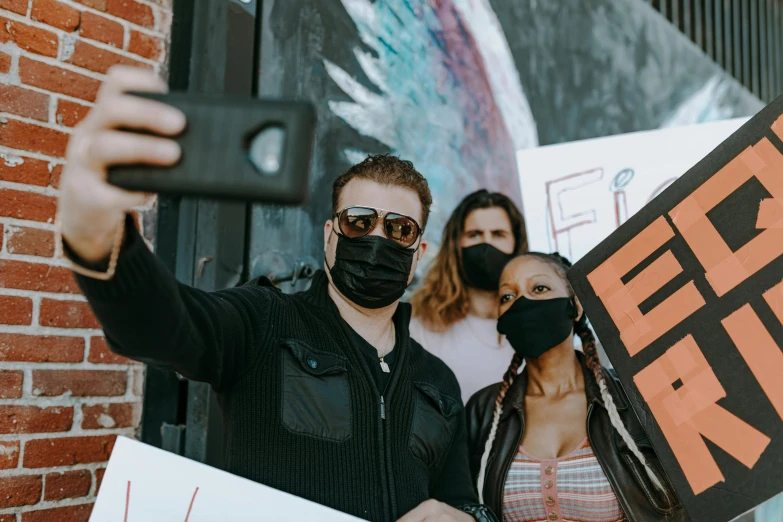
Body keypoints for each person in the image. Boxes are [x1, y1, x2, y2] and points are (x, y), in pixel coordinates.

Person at [56, 66, 496, 522]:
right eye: (359, 222)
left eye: (399, 228)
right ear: (330, 234)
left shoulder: (439, 383)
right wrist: (95, 233)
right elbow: (160, 324)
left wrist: (465, 518)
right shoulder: (263, 321)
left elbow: (461, 499)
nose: (378, 238)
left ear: (418, 251)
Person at [465, 252, 688, 522]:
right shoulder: (484, 410)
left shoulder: (632, 398)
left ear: (576, 306)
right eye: (507, 297)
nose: (522, 303)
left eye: (539, 288)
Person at [410, 190, 526, 403]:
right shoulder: (421, 328)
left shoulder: (534, 329)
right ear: (456, 245)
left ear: (516, 244)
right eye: (474, 234)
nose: (486, 245)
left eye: (498, 234)